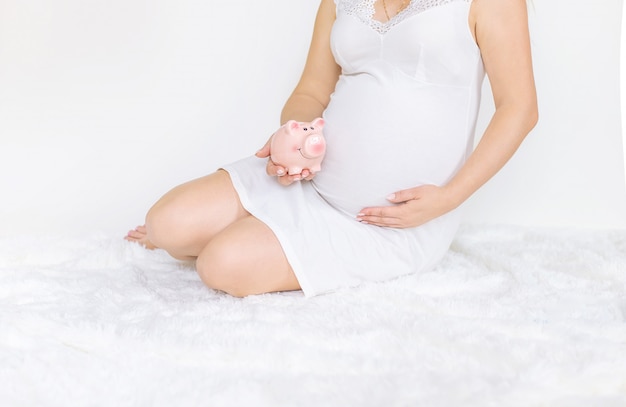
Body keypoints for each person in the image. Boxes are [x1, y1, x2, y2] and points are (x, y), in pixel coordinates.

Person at [125, 0, 538, 297]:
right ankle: (246, 230)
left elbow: (519, 109)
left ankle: (250, 239)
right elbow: (311, 91)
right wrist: (293, 138)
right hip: (309, 180)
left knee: (220, 265)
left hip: (392, 224)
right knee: (166, 224)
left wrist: (449, 198)